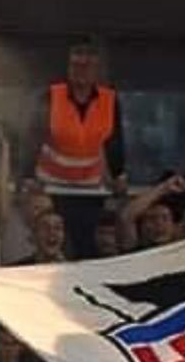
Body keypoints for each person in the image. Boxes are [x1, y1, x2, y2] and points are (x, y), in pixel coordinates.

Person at [31, 42, 125, 259]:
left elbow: (114, 139)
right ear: (68, 69)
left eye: (87, 66)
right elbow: (33, 135)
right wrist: (27, 175)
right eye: (77, 66)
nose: (82, 72)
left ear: (96, 71)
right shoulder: (52, 96)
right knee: (55, 238)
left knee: (87, 242)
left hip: (89, 187)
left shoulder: (109, 99)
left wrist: (119, 173)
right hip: (53, 185)